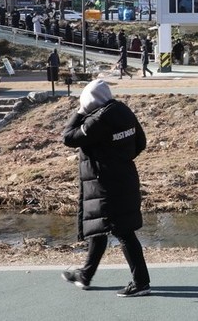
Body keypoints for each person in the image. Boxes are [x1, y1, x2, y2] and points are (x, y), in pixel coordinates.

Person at [61, 79, 151, 298]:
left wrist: (80, 111)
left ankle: (141, 283)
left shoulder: (99, 119)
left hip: (106, 184)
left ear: (90, 101)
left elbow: (68, 137)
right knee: (99, 229)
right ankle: (85, 275)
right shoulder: (123, 111)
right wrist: (120, 158)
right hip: (124, 178)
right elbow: (140, 142)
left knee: (124, 232)